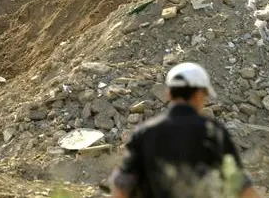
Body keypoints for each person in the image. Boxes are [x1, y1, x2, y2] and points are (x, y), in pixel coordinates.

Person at [110, 62, 261, 198]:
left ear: (168, 93)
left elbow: (122, 186)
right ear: (199, 94)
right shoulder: (213, 132)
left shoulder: (144, 133)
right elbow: (240, 185)